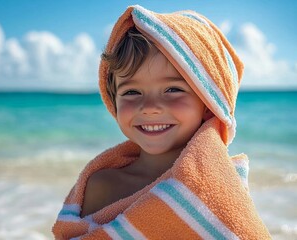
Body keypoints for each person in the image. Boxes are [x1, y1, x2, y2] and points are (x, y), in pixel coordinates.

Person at [53, 5, 270, 239]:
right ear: (113, 100)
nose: (150, 107)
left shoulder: (218, 196)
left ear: (209, 104)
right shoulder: (100, 185)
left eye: (172, 89)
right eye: (131, 92)